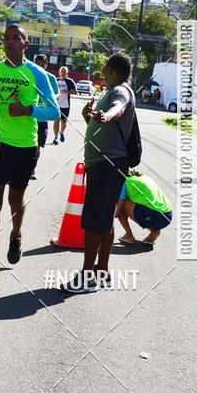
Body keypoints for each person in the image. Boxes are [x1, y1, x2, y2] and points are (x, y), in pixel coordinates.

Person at [0, 24, 60, 289]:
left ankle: (16, 233)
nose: (10, 42)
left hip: (25, 146)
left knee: (15, 198)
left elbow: (55, 112)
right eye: (7, 38)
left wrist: (28, 110)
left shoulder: (37, 74)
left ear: (26, 44)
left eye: (16, 39)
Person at [62, 52, 135, 294]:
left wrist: (106, 114)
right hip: (106, 164)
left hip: (107, 165)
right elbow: (106, 127)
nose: (102, 71)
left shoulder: (119, 91)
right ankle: (102, 272)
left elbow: (119, 108)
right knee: (104, 220)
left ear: (110, 69)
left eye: (105, 68)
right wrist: (90, 119)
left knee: (94, 221)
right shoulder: (112, 90)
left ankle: (87, 277)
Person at [116, 169, 172, 245]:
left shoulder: (123, 181)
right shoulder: (143, 176)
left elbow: (118, 210)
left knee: (119, 204)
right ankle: (153, 232)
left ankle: (129, 235)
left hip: (153, 214)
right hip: (168, 216)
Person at [33, 54, 59, 179]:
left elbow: (57, 95)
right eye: (36, 64)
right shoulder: (29, 75)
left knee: (38, 145)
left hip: (43, 117)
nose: (38, 66)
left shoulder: (50, 78)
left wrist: (49, 100)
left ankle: (32, 168)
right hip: (30, 116)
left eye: (41, 65)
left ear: (46, 65)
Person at [52, 66, 77, 144]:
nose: (62, 73)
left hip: (66, 105)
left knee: (63, 122)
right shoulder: (56, 80)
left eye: (64, 72)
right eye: (61, 72)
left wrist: (67, 91)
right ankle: (56, 137)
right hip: (57, 105)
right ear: (59, 73)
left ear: (67, 73)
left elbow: (75, 92)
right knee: (56, 120)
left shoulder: (70, 81)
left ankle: (61, 133)